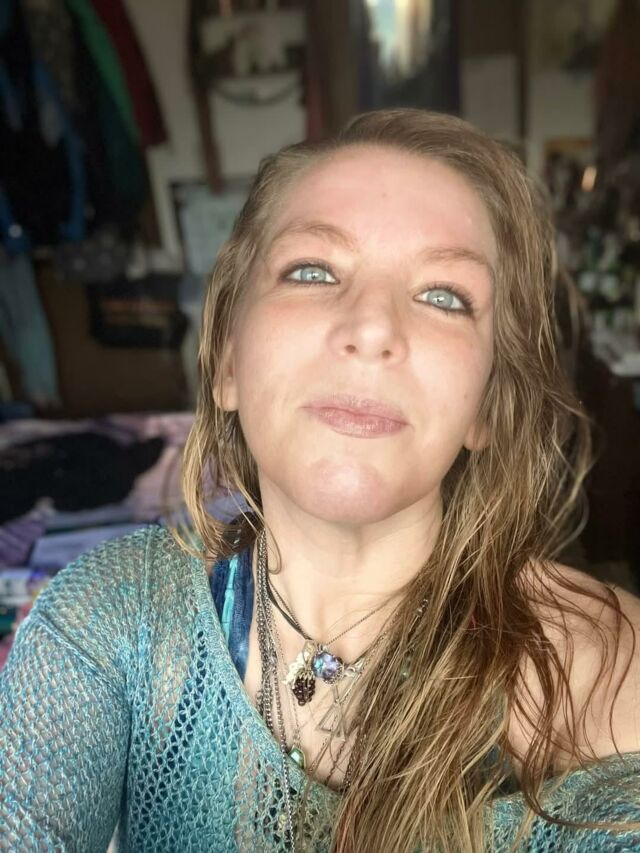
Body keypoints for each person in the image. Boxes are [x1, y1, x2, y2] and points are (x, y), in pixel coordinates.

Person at [1, 109, 639, 852]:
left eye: (444, 295)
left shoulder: (610, 674)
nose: (372, 327)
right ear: (228, 361)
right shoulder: (110, 616)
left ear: (485, 408)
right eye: (312, 271)